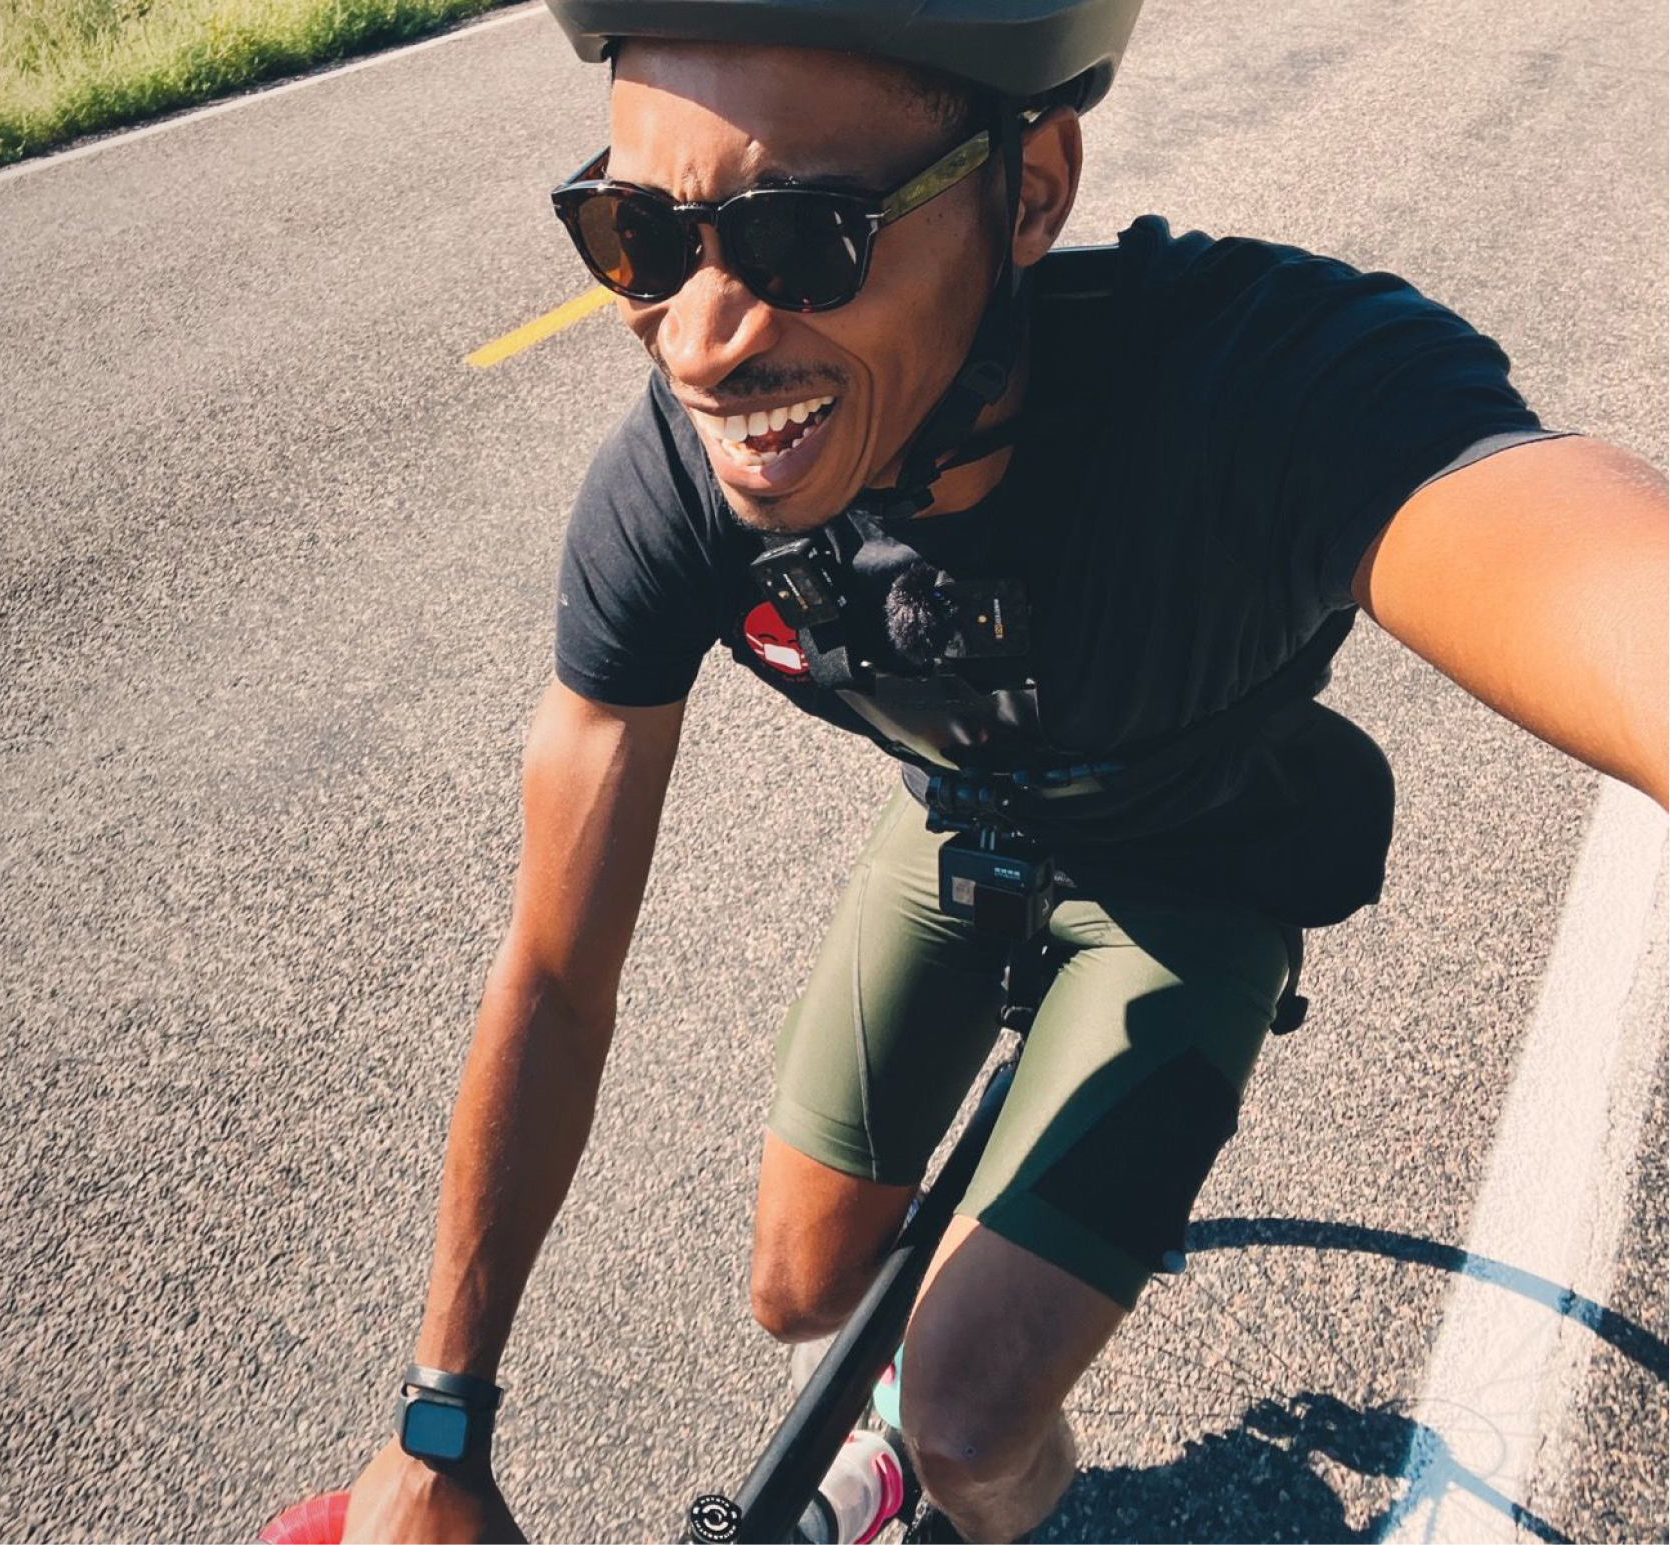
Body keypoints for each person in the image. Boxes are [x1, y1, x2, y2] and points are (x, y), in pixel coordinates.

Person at [338, 2, 1668, 1541]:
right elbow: (553, 972)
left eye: (798, 237)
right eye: (634, 233)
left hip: (1190, 867)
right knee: (799, 1287)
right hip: (964, 830)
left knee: (967, 1418)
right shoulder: (678, 489)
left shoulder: (1248, 386)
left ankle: (1015, 1485)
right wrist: (437, 1423)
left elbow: (1535, 529)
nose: (699, 339)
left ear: (1030, 188)